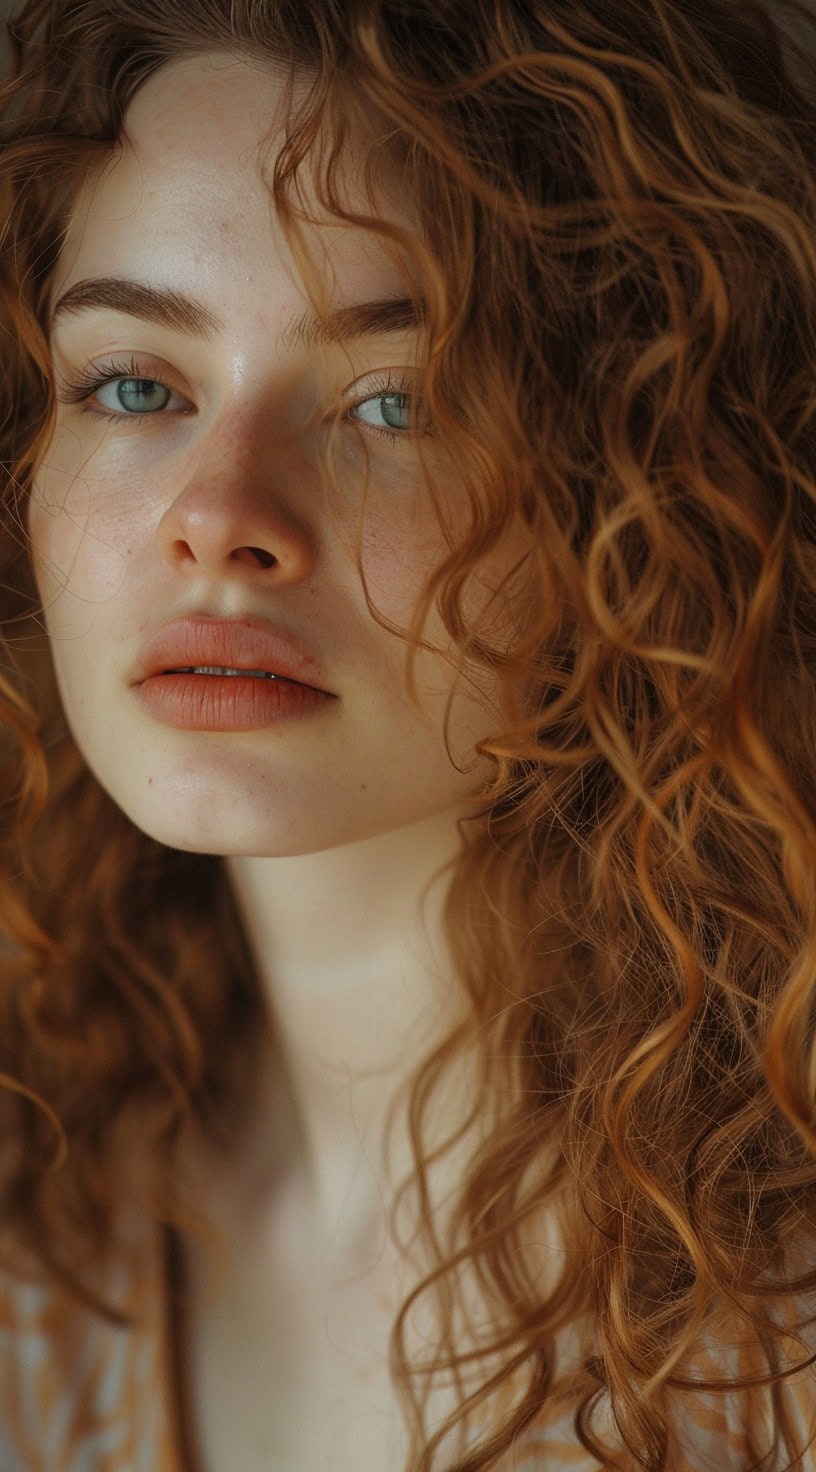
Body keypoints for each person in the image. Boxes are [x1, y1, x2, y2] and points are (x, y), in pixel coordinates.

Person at [0, 0, 815, 1468]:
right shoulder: (37, 1232)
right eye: (135, 385)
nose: (222, 519)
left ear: (643, 494)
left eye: (399, 400)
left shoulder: (787, 1330)